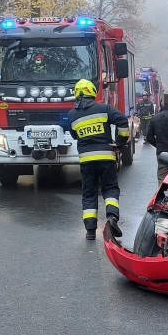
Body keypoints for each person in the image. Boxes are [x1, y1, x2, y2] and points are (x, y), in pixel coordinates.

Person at [68, 79, 130, 241]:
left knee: (89, 193)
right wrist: (120, 142)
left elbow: (75, 135)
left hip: (86, 161)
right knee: (110, 189)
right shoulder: (104, 108)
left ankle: (90, 231)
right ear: (92, 92)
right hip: (106, 157)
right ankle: (112, 218)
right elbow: (123, 121)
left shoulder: (72, 114)